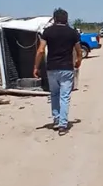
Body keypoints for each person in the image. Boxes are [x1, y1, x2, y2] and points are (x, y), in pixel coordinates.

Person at [33, 8, 82, 136]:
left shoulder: (47, 32)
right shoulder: (73, 33)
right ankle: (63, 125)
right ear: (66, 18)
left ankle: (56, 119)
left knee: (54, 94)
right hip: (66, 68)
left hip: (52, 68)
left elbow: (41, 50)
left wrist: (36, 67)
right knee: (64, 97)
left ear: (54, 19)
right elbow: (78, 50)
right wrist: (79, 61)